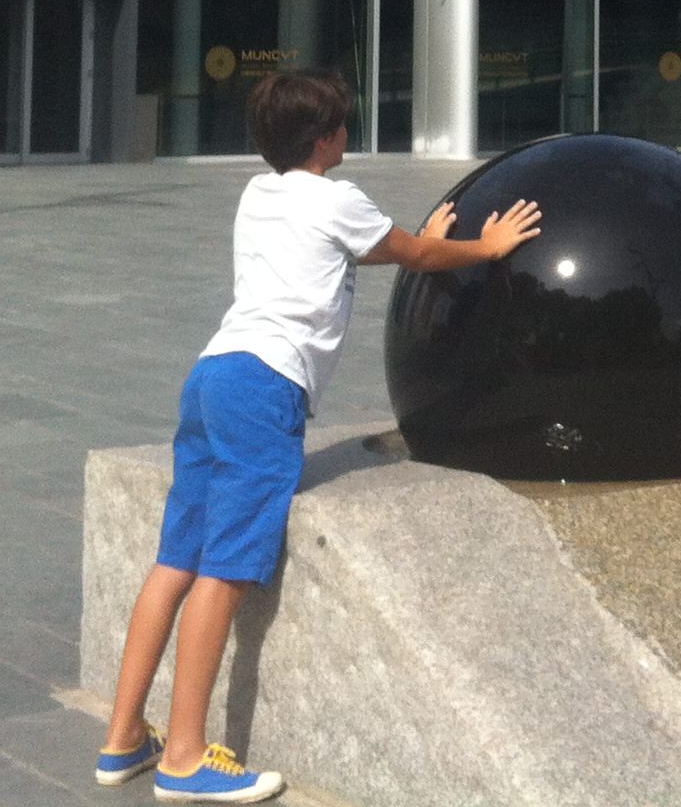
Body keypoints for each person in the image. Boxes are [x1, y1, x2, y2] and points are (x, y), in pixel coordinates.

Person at [98, 71, 541, 800]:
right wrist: (486, 248)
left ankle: (122, 740)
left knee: (175, 559)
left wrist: (415, 242)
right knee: (228, 568)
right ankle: (182, 757)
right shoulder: (338, 198)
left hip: (212, 375)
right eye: (343, 124)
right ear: (327, 138)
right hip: (267, 386)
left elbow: (371, 248)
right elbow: (413, 255)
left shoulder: (260, 193)